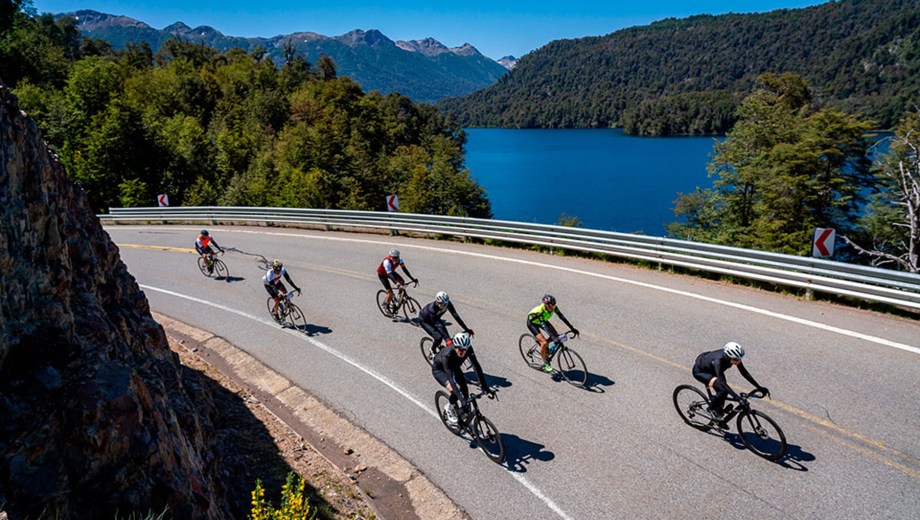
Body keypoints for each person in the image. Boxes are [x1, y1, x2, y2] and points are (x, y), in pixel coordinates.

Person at [692, 342, 769, 422]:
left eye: (739, 359)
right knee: (723, 390)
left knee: (723, 391)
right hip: (701, 372)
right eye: (736, 360)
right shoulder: (718, 361)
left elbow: (744, 373)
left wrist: (759, 387)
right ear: (728, 357)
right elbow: (722, 382)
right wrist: (737, 398)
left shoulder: (734, 357)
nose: (738, 361)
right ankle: (711, 408)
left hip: (713, 370)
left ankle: (719, 410)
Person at [431, 332, 492, 426]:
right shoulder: (447, 356)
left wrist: (485, 387)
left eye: (464, 349)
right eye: (460, 349)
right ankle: (449, 408)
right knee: (454, 389)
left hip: (454, 367)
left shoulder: (468, 349)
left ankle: (462, 414)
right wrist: (462, 400)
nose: (462, 352)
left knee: (464, 389)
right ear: (455, 346)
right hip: (440, 370)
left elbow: (476, 367)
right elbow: (451, 379)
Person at [527, 294, 579, 373]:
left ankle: (546, 350)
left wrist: (572, 328)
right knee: (544, 342)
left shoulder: (553, 307)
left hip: (543, 320)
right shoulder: (540, 311)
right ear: (545, 305)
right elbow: (544, 326)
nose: (552, 308)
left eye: (554, 305)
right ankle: (546, 363)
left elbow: (561, 317)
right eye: (551, 306)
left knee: (556, 336)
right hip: (533, 323)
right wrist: (552, 337)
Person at [419, 291, 474, 356]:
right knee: (439, 337)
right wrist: (447, 339)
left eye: (446, 304)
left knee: (444, 335)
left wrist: (466, 329)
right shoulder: (432, 310)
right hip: (425, 321)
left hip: (435, 319)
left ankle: (438, 344)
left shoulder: (448, 304)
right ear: (437, 302)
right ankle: (432, 349)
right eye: (443, 305)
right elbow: (438, 325)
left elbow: (456, 316)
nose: (445, 306)